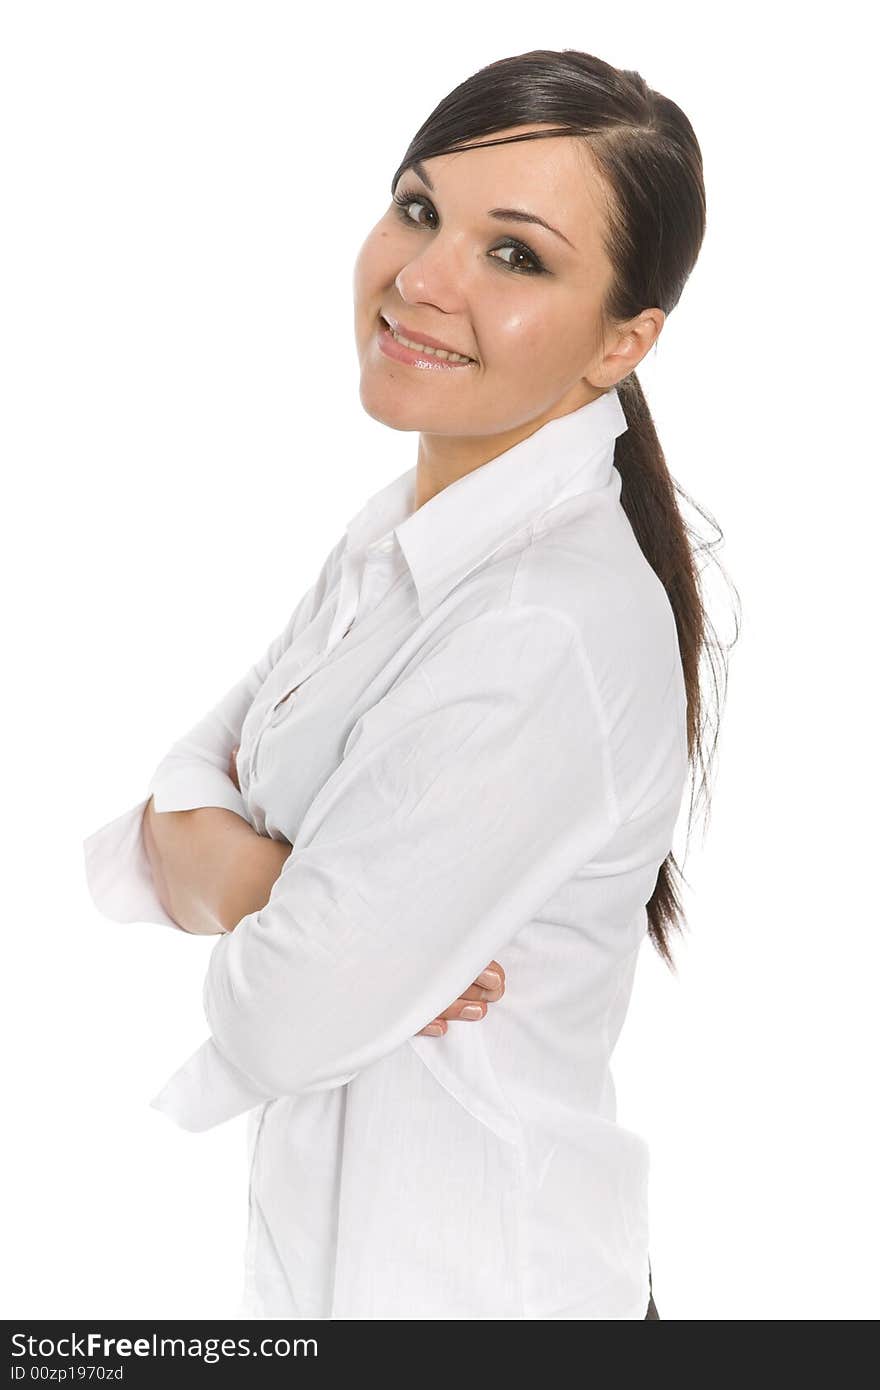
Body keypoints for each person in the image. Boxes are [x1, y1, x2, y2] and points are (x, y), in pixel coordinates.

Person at [83, 48, 728, 1320]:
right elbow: (171, 797)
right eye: (420, 207)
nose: (421, 280)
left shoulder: (545, 624)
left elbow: (279, 1018)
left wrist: (269, 904)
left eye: (516, 255)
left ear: (622, 343)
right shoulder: (404, 536)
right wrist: (279, 886)